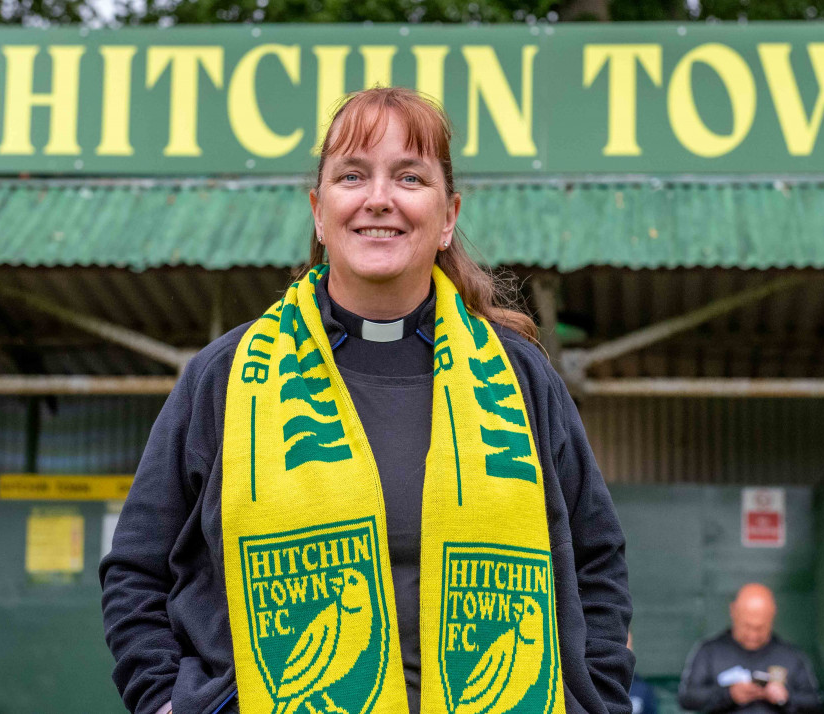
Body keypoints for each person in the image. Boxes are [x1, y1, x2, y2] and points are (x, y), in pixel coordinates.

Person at [100, 87, 634, 714]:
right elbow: (136, 571)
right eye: (353, 175)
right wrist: (164, 703)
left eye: (409, 176)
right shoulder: (225, 377)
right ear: (319, 213)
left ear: (449, 216)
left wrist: (594, 700)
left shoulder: (519, 379)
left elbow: (597, 564)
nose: (379, 198)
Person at [677, 584, 822, 713]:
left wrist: (786, 697)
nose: (752, 634)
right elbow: (687, 698)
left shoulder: (791, 656)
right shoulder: (709, 652)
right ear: (733, 612)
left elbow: (815, 703)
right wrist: (729, 694)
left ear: (772, 616)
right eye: (746, 626)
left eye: (760, 628)